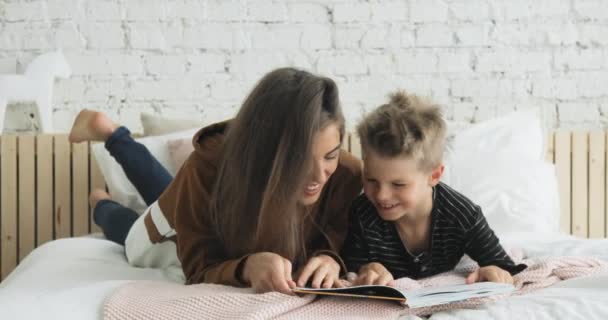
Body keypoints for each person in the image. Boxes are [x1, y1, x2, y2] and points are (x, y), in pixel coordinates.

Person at [69, 68, 363, 294]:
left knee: (168, 189)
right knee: (130, 233)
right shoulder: (207, 168)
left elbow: (335, 238)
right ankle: (101, 202)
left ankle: (111, 133)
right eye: (299, 161)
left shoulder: (346, 174)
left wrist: (330, 259)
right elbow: (197, 270)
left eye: (330, 155)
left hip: (191, 197)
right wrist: (247, 267)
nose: (318, 176)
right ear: (266, 154)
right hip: (164, 233)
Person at [340, 91, 526, 287]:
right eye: (371, 179)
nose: (381, 195)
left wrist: (493, 269)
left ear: (434, 175)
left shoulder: (463, 216)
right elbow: (349, 267)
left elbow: (504, 267)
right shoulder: (362, 214)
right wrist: (367, 269)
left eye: (398, 184)